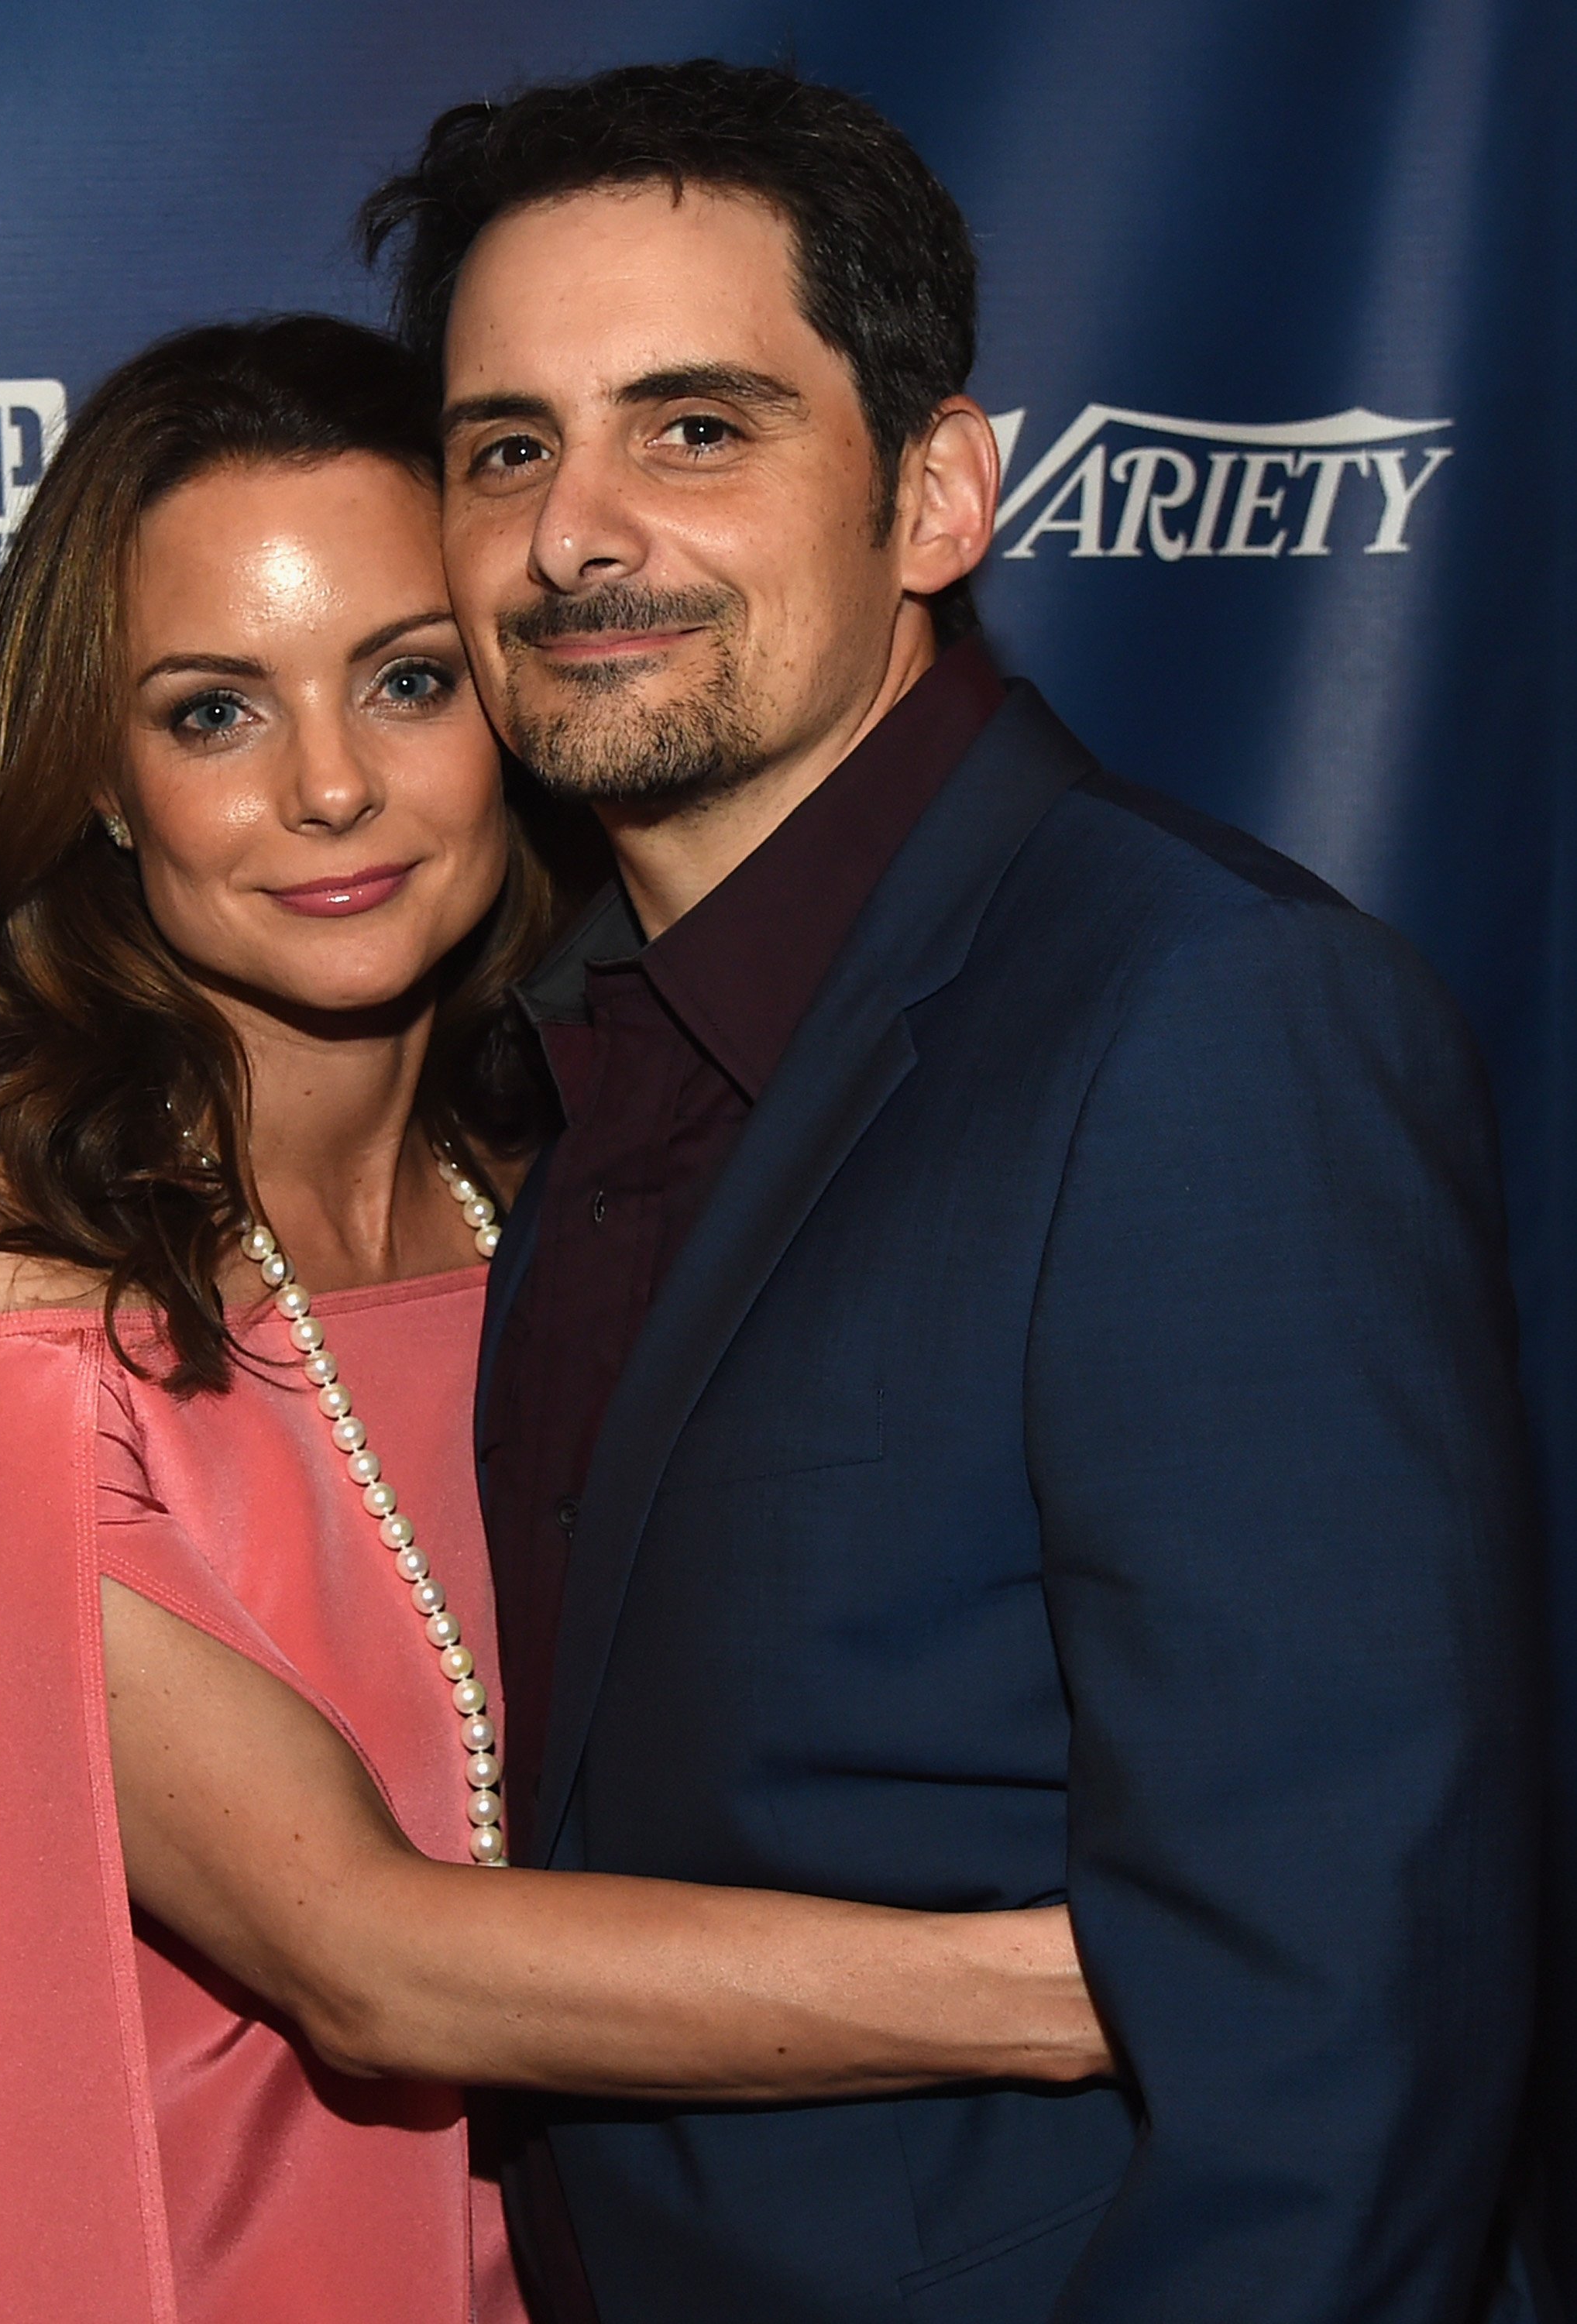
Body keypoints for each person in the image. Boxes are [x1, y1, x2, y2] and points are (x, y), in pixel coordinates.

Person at [359, 58, 1545, 2324]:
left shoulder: (1204, 1015)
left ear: (933, 494)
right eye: (506, 445)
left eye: (693, 426)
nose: (575, 531)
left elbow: (1342, 2036)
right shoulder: (566, 1068)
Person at [0, 316, 1111, 2324]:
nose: (332, 785)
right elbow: (363, 1955)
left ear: (518, 700)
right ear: (98, 779)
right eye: (216, 711)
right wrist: (1111, 1984)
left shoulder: (592, 1211)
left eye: (406, 679)